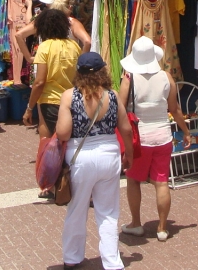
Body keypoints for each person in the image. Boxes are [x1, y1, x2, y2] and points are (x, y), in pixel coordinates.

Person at [55, 52, 134, 270]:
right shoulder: (113, 95)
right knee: (108, 212)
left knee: (77, 209)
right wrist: (129, 154)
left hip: (80, 156)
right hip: (109, 153)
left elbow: (63, 133)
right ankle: (112, 261)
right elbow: (126, 129)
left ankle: (72, 258)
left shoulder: (69, 96)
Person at [119, 36, 193, 242]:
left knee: (133, 180)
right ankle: (162, 228)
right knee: (161, 182)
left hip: (139, 138)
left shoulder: (129, 78)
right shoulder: (166, 77)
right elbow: (175, 110)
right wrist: (186, 131)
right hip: (163, 136)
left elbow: (120, 109)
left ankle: (136, 223)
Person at [25, 8, 80, 138]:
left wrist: (29, 108)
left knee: (50, 142)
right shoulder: (74, 45)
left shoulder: (45, 47)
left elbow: (39, 82)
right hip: (73, 100)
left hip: (50, 102)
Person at [16, 0, 91, 64]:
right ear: (70, 7)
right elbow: (87, 42)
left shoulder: (43, 20)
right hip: (67, 66)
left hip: (44, 65)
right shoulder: (73, 23)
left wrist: (29, 58)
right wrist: (81, 61)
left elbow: (19, 35)